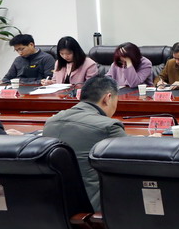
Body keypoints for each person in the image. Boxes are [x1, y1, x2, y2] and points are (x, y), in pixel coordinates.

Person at [42, 76, 127, 210]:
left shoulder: (51, 121)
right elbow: (131, 161)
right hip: (93, 207)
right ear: (108, 98)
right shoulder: (109, 126)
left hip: (54, 205)